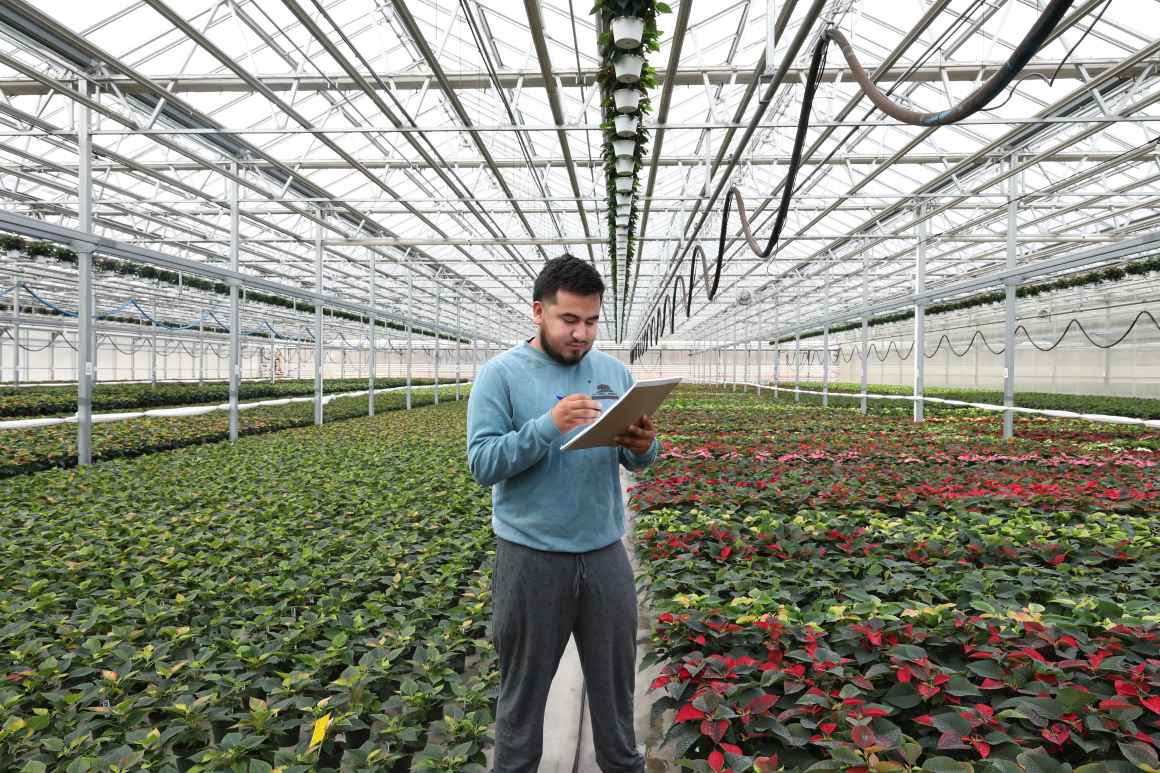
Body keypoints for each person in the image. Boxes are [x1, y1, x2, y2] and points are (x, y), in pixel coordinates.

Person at [466, 254, 659, 773]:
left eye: (592, 321)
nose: (581, 334)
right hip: (531, 557)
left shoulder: (613, 372)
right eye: (569, 320)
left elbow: (633, 459)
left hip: (602, 552)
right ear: (538, 312)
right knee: (524, 698)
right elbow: (482, 464)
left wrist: (643, 445)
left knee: (617, 694)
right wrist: (547, 426)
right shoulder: (501, 375)